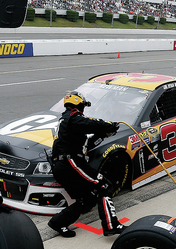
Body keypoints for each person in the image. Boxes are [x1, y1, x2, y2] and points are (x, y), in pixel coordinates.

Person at [47, 91, 125, 238]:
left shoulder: (67, 122)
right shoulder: (73, 116)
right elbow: (90, 123)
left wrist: (103, 135)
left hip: (63, 165)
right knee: (103, 185)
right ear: (79, 104)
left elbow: (85, 145)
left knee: (87, 199)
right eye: (83, 105)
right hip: (70, 162)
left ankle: (58, 222)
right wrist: (109, 125)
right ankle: (112, 225)